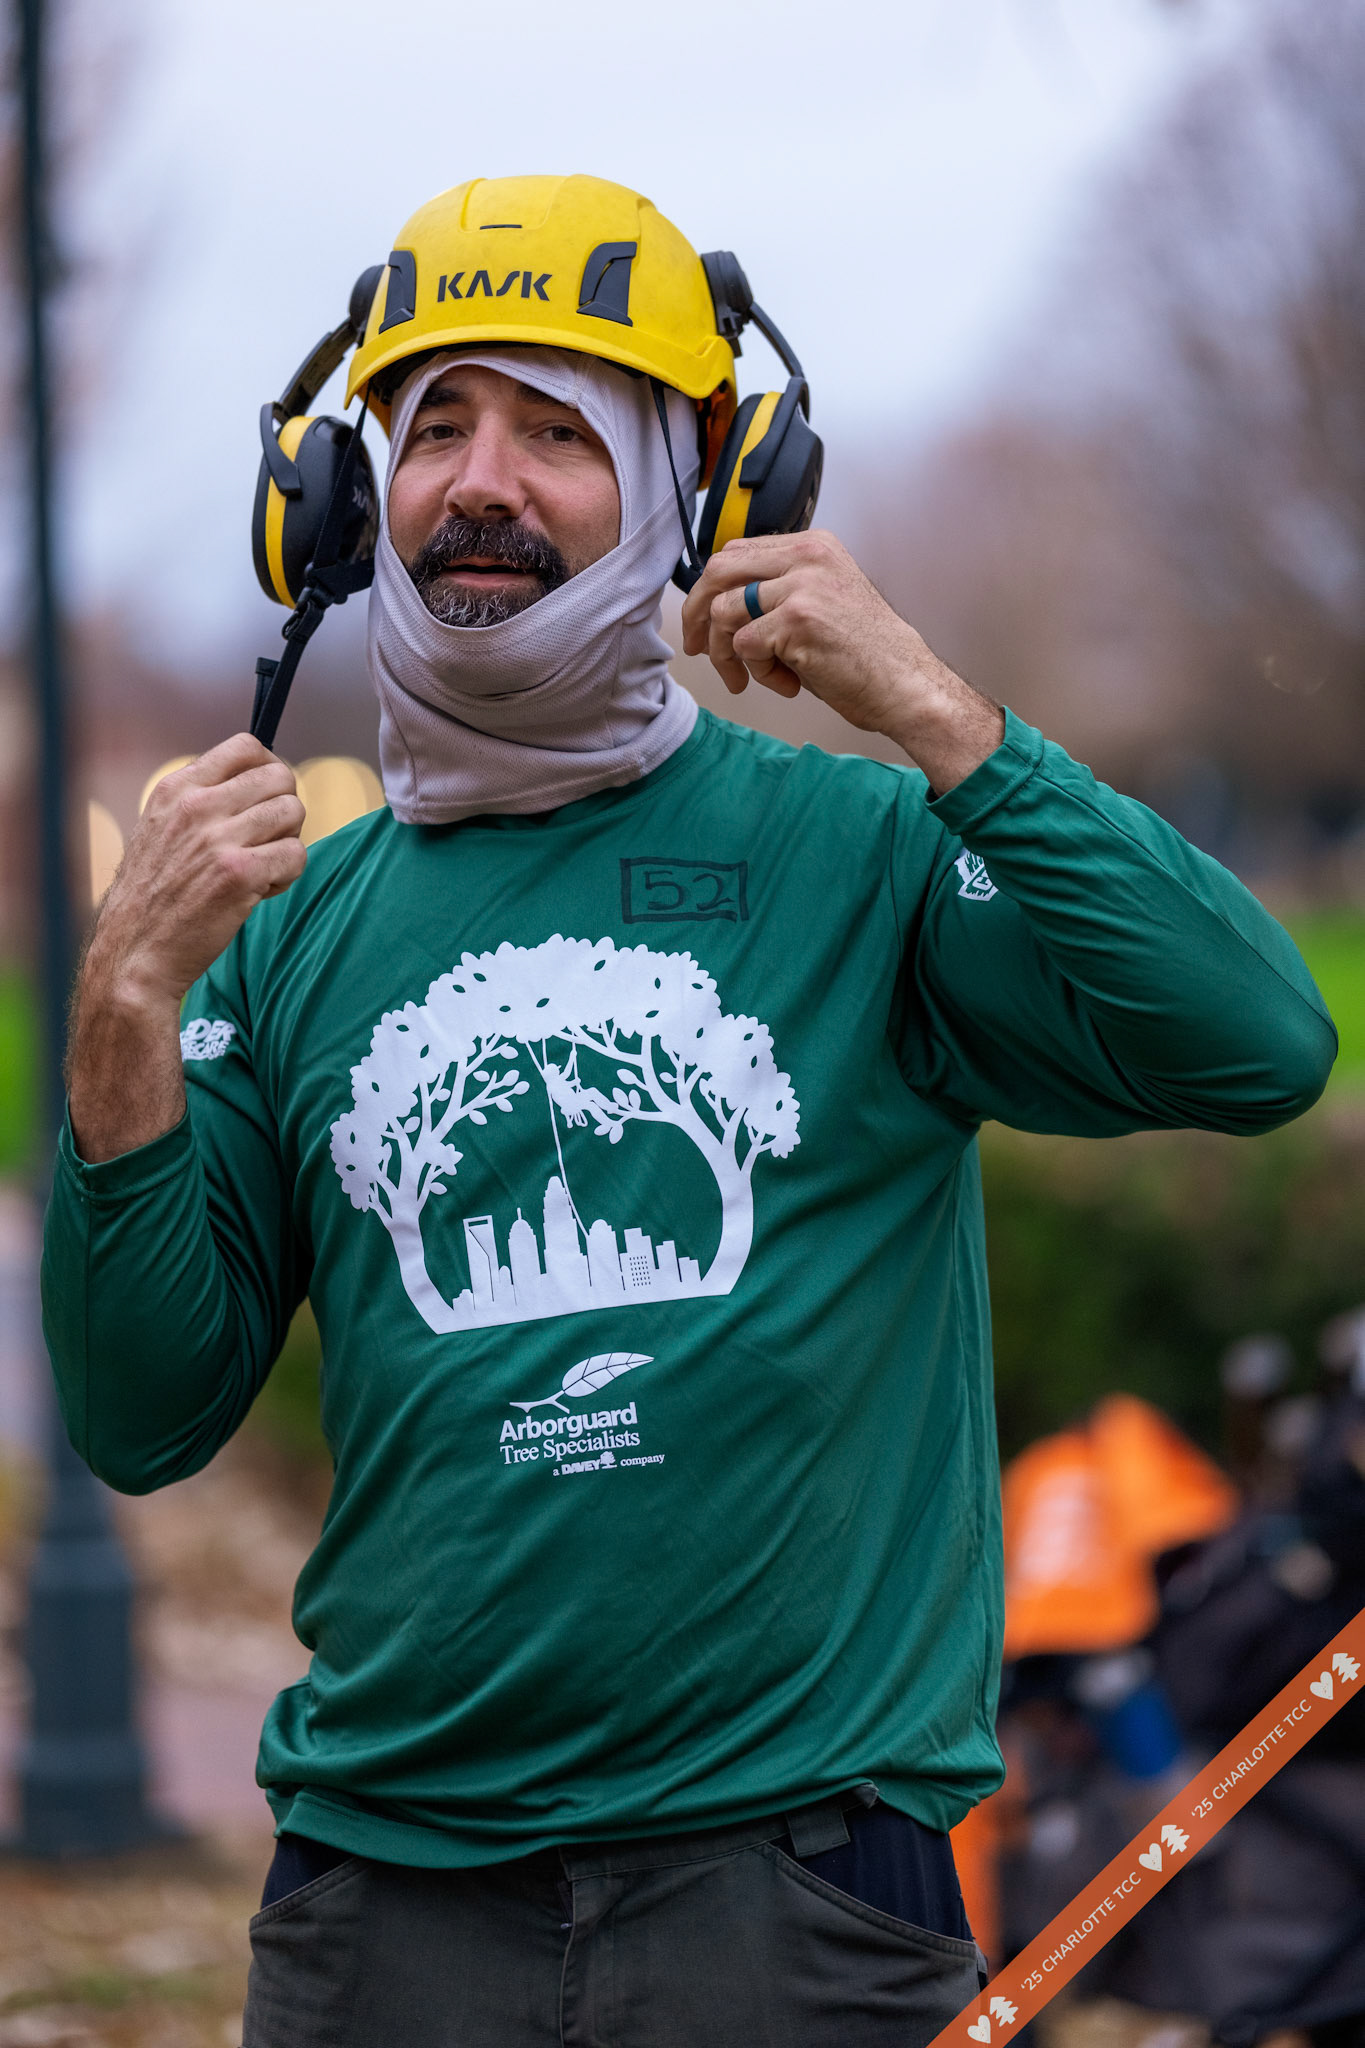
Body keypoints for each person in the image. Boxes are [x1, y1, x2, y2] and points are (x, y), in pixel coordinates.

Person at [41, 174, 1336, 2047]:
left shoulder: (868, 855)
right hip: (380, 1914)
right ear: (335, 502)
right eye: (434, 428)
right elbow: (144, 1416)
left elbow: (1254, 1043)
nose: (481, 481)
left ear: (700, 486)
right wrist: (123, 1012)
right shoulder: (282, 934)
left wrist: (939, 720)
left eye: (561, 431)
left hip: (791, 1907)